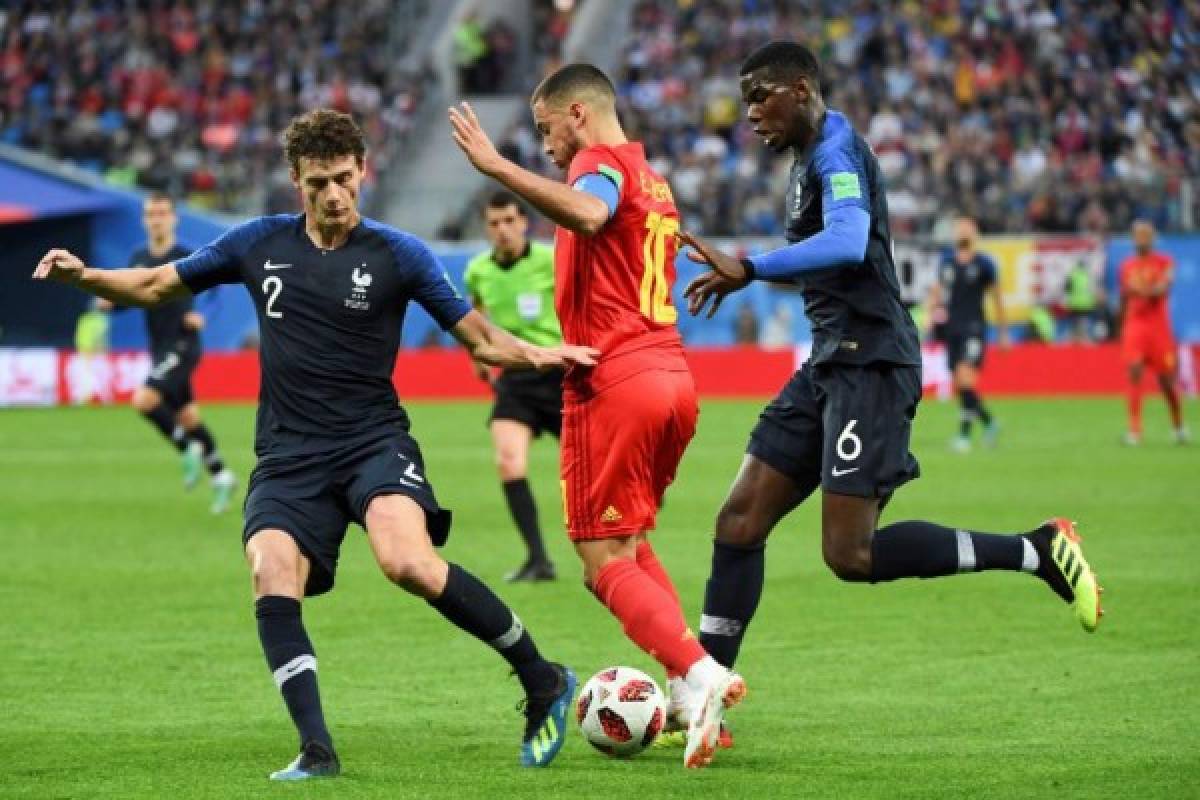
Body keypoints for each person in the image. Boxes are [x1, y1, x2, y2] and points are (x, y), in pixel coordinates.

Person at [33, 109, 596, 780]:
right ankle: (316, 750)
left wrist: (544, 356)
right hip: (288, 455)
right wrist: (82, 276)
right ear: (295, 180)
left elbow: (479, 337)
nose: (334, 194)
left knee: (407, 562)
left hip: (372, 443)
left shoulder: (399, 254)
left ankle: (542, 678)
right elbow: (155, 283)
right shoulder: (257, 243)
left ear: (364, 172)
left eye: (344, 178)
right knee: (270, 568)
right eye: (319, 182)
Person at [679, 43, 1104, 736]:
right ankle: (703, 697)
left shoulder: (836, 152)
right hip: (829, 364)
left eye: (761, 96)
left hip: (872, 365)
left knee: (851, 555)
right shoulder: (804, 157)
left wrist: (751, 267)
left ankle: (1037, 549)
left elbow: (848, 242)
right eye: (746, 100)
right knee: (738, 522)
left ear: (802, 87)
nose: (749, 113)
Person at [449, 64, 745, 770]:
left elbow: (589, 211)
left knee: (599, 559)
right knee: (633, 544)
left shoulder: (598, 167)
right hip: (672, 376)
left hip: (612, 379)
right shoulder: (653, 176)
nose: (547, 147)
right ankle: (683, 692)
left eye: (547, 130)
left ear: (577, 115)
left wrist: (495, 164)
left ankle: (702, 674)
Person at [97, 193, 237, 511]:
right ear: (145, 220)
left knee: (144, 400)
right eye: (151, 214)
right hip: (159, 346)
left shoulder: (186, 255)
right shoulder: (138, 257)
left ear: (174, 218)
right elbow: (133, 296)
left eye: (162, 213)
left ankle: (188, 449)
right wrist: (112, 306)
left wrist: (204, 315)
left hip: (183, 344)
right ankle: (221, 475)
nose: (157, 218)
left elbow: (217, 293)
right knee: (188, 417)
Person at [464, 191, 562, 582]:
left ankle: (623, 543)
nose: (502, 230)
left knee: (591, 469)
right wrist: (479, 358)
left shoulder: (551, 261)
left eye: (509, 221)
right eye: (494, 223)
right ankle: (538, 560)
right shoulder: (477, 270)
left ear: (524, 223)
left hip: (558, 374)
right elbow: (475, 315)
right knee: (508, 462)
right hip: (515, 380)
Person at [927, 217, 1009, 453]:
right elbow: (937, 290)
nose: (962, 231)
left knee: (965, 379)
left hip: (974, 329)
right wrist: (931, 314)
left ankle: (964, 436)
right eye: (959, 227)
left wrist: (1003, 333)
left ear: (975, 234)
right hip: (952, 329)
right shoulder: (947, 262)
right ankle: (989, 422)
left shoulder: (984, 264)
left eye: (967, 228)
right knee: (959, 383)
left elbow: (997, 298)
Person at [1119, 220, 1189, 445]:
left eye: (1146, 235)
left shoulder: (1165, 261)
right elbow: (1128, 292)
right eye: (1138, 235)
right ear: (1133, 239)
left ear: (1152, 238)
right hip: (1135, 326)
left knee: (1167, 382)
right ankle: (1134, 430)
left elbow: (1162, 289)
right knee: (1134, 370)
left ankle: (1178, 426)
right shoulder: (1127, 265)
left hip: (1158, 328)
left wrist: (1142, 290)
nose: (1142, 239)